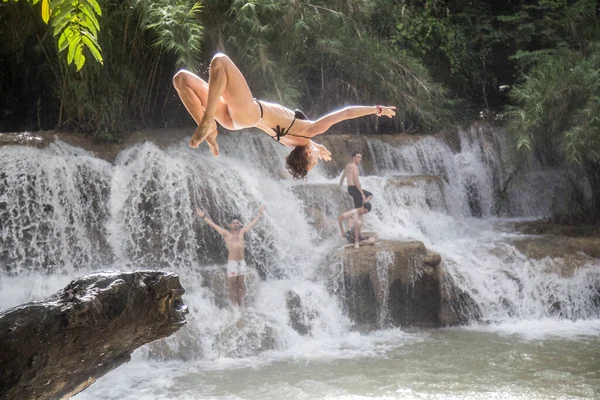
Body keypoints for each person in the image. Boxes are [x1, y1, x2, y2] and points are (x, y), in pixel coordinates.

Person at [172, 53, 396, 179]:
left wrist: (377, 109)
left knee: (220, 61)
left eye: (314, 161)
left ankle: (206, 120)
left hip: (249, 111)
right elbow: (302, 142)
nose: (318, 159)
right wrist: (317, 146)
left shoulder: (309, 131)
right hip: (235, 121)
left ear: (308, 152)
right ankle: (210, 129)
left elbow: (345, 113)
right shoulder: (291, 141)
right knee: (181, 79)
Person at [195, 206, 265, 307]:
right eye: (234, 223)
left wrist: (260, 214)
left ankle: (241, 305)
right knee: (232, 285)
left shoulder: (242, 232)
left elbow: (252, 224)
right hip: (232, 262)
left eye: (237, 223)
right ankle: (234, 306)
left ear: (239, 224)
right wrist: (203, 216)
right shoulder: (226, 233)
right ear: (230, 225)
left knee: (241, 284)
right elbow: (213, 225)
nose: (236, 225)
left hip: (241, 262)